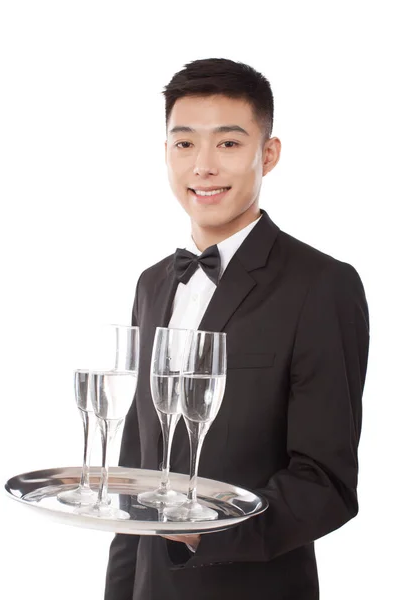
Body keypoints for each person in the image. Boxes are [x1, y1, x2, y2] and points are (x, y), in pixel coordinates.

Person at [104, 57, 370, 600]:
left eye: (227, 144)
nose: (203, 166)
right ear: (166, 154)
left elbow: (327, 483)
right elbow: (135, 469)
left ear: (267, 154)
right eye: (184, 144)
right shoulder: (152, 284)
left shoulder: (322, 286)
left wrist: (202, 532)